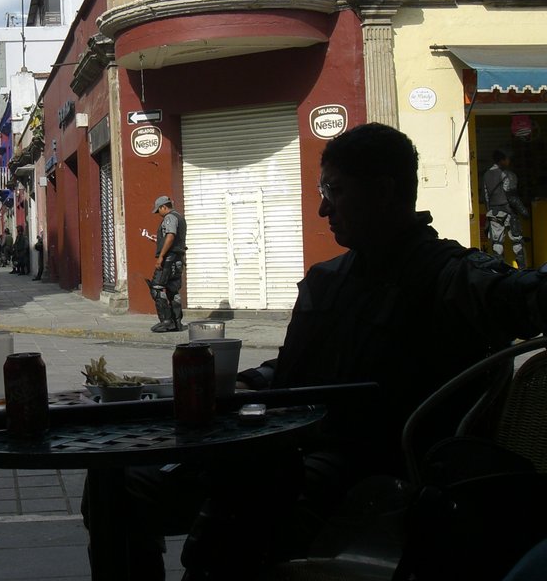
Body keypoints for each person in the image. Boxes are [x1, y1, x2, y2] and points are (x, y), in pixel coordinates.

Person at [101, 124, 547, 580]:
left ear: (383, 191)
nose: (321, 208)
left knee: (236, 515)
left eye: (334, 189)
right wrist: (245, 381)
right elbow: (298, 370)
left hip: (365, 480)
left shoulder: (449, 276)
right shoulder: (326, 279)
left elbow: (528, 298)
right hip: (273, 452)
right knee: (115, 481)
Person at [484, 149, 529, 268]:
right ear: (502, 160)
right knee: (517, 242)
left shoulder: (486, 174)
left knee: (497, 243)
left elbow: (486, 197)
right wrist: (524, 212)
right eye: (507, 159)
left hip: (493, 213)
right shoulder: (507, 174)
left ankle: (499, 272)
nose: (509, 161)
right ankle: (522, 271)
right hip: (509, 212)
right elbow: (512, 197)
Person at [149, 196, 187, 333]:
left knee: (157, 288)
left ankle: (166, 321)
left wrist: (161, 256)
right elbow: (176, 240)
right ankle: (177, 322)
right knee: (173, 290)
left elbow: (170, 236)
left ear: (163, 207)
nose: (158, 214)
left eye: (158, 210)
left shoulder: (169, 218)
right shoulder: (180, 218)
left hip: (169, 260)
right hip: (177, 259)